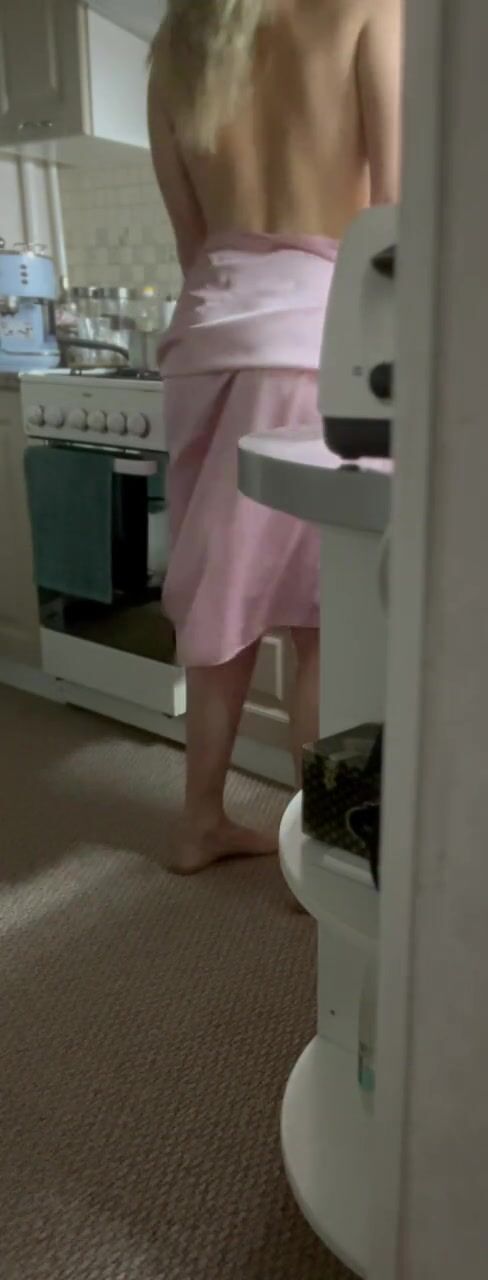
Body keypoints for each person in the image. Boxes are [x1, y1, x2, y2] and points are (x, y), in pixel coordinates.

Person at [147, 0, 401, 874]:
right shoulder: (367, 8)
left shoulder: (177, 43)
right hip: (314, 344)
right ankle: (321, 855)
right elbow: (392, 220)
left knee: (220, 600)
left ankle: (199, 821)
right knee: (326, 621)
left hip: (205, 343)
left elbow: (192, 243)